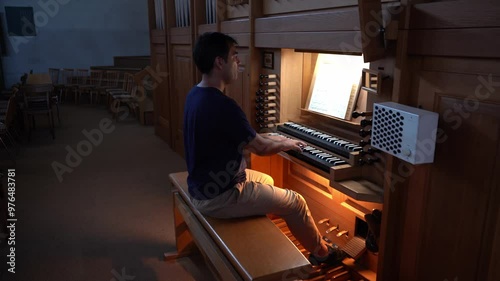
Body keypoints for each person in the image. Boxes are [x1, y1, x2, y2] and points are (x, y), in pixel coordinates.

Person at [183, 32, 345, 266]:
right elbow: (259, 147)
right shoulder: (223, 105)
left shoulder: (196, 94)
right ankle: (322, 253)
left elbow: (249, 137)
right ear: (220, 62)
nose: (239, 62)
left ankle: (264, 231)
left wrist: (279, 137)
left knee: (267, 179)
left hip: (202, 185)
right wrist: (288, 142)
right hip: (219, 196)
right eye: (234, 56)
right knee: (296, 202)